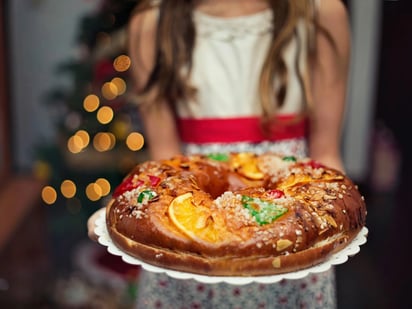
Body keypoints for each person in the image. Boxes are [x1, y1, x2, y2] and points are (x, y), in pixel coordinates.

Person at [89, 0, 351, 307]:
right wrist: (118, 211)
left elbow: (326, 156)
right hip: (188, 252)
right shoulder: (152, 23)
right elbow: (165, 164)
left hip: (290, 254)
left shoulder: (321, 13)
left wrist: (337, 223)